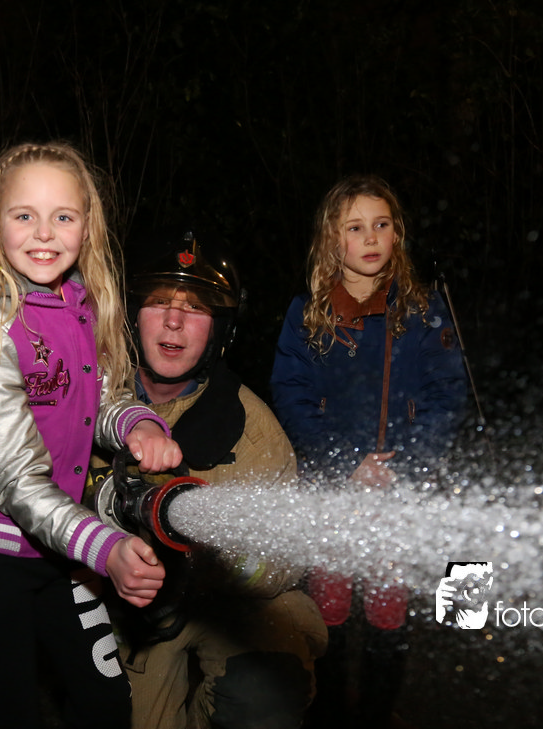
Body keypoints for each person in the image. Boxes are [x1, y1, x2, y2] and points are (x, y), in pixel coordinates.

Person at [0, 141, 181, 729]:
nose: (44, 233)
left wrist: (138, 423)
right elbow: (16, 479)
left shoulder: (81, 300)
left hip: (59, 541)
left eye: (63, 216)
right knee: (8, 713)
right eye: (24, 215)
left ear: (88, 226)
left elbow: (100, 398)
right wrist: (105, 548)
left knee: (106, 701)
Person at [88, 230, 329, 729]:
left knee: (271, 681)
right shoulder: (86, 402)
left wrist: (219, 562)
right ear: (131, 314)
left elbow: (285, 560)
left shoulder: (253, 430)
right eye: (159, 301)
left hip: (224, 606)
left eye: (195, 309)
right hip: (124, 605)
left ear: (220, 329)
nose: (174, 321)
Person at [270, 174, 468, 727]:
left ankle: (379, 713)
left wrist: (406, 464)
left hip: (396, 494)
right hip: (333, 490)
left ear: (397, 233)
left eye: (381, 224)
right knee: (328, 608)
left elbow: (446, 394)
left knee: (388, 611)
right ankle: (329, 709)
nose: (371, 237)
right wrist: (342, 462)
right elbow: (291, 393)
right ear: (332, 240)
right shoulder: (307, 312)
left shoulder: (422, 310)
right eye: (355, 227)